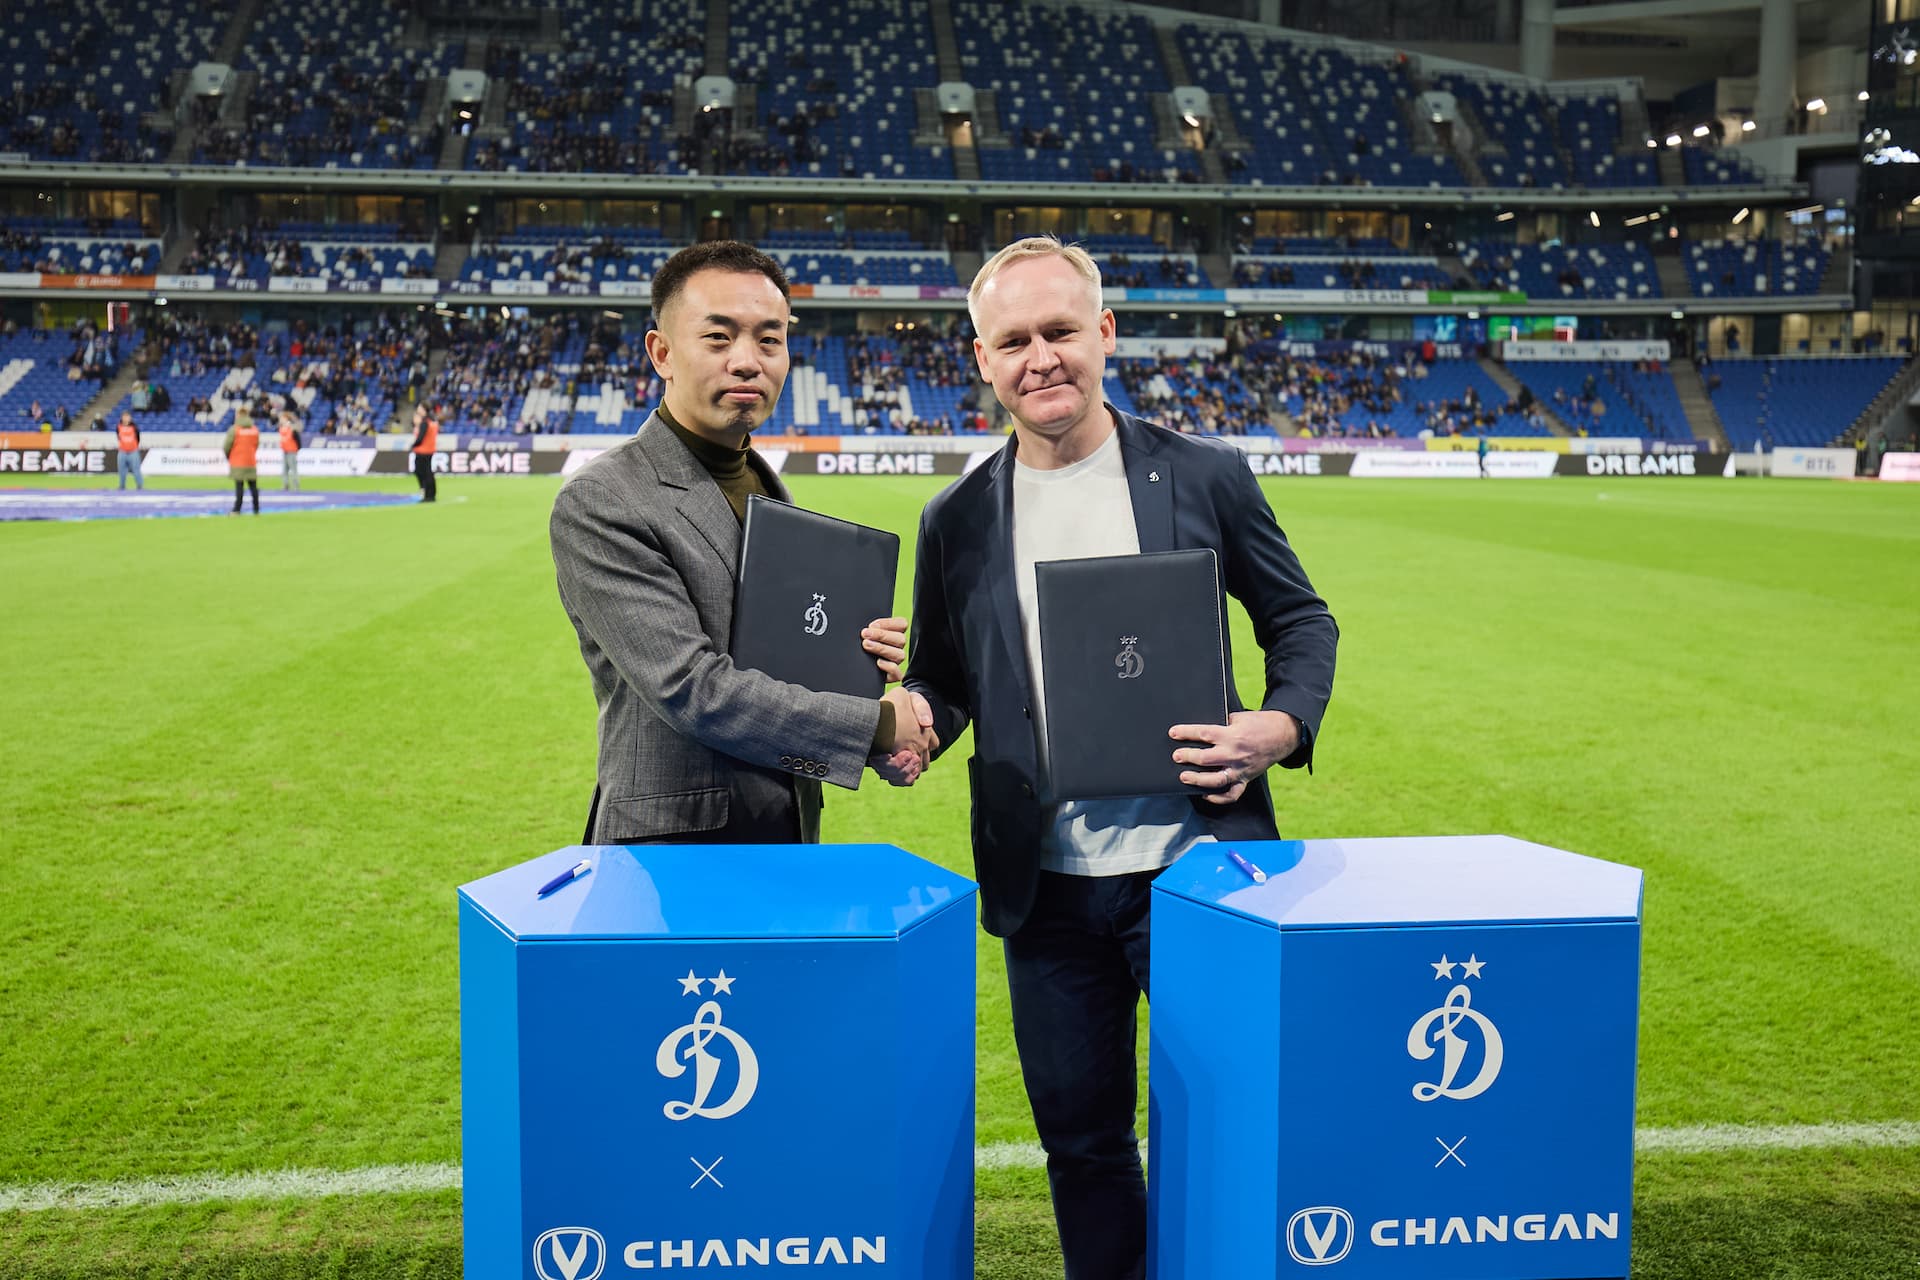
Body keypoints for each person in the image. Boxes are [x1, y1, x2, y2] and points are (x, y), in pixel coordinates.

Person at [900, 237, 1338, 1279]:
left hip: (1199, 873)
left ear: (1104, 332)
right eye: (1014, 340)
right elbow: (946, 680)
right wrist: (908, 722)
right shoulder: (956, 518)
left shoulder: (1203, 474)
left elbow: (1300, 621)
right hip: (1044, 891)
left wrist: (1279, 726)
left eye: (1060, 330)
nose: (1040, 357)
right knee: (1083, 1145)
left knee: (1228, 1124)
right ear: (982, 359)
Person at [548, 240, 936, 847]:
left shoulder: (765, 487)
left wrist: (854, 659)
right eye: (718, 337)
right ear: (662, 353)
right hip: (671, 851)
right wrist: (875, 725)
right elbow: (692, 689)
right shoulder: (603, 499)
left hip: (785, 833)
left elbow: (776, 658)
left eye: (769, 339)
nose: (747, 361)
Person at [224, 407, 261, 514]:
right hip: (250, 461)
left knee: (239, 486)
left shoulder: (234, 429)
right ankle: (256, 509)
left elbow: (226, 446)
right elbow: (256, 444)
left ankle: (237, 509)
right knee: (253, 486)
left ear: (238, 415)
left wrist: (229, 456)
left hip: (238, 461)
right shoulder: (254, 429)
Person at [409, 404, 438, 503]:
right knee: (428, 472)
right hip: (429, 450)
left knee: (422, 472)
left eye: (419, 409)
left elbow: (420, 438)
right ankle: (431, 494)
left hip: (422, 451)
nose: (418, 410)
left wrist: (413, 445)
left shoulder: (425, 423)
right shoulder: (432, 421)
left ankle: (426, 493)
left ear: (424, 410)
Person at [114, 410, 144, 491]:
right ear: (122, 418)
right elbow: (118, 437)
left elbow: (138, 438)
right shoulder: (118, 426)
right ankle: (122, 486)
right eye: (124, 417)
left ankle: (140, 486)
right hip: (122, 451)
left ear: (130, 418)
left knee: (136, 469)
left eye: (127, 416)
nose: (126, 418)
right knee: (121, 470)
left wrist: (133, 446)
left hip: (133, 451)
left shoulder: (134, 427)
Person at [277, 409, 303, 492]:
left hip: (291, 450)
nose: (280, 420)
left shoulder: (292, 427)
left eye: (282, 418)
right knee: (285, 469)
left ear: (286, 418)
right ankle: (285, 485)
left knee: (293, 469)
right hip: (285, 450)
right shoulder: (282, 427)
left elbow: (296, 436)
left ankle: (296, 486)